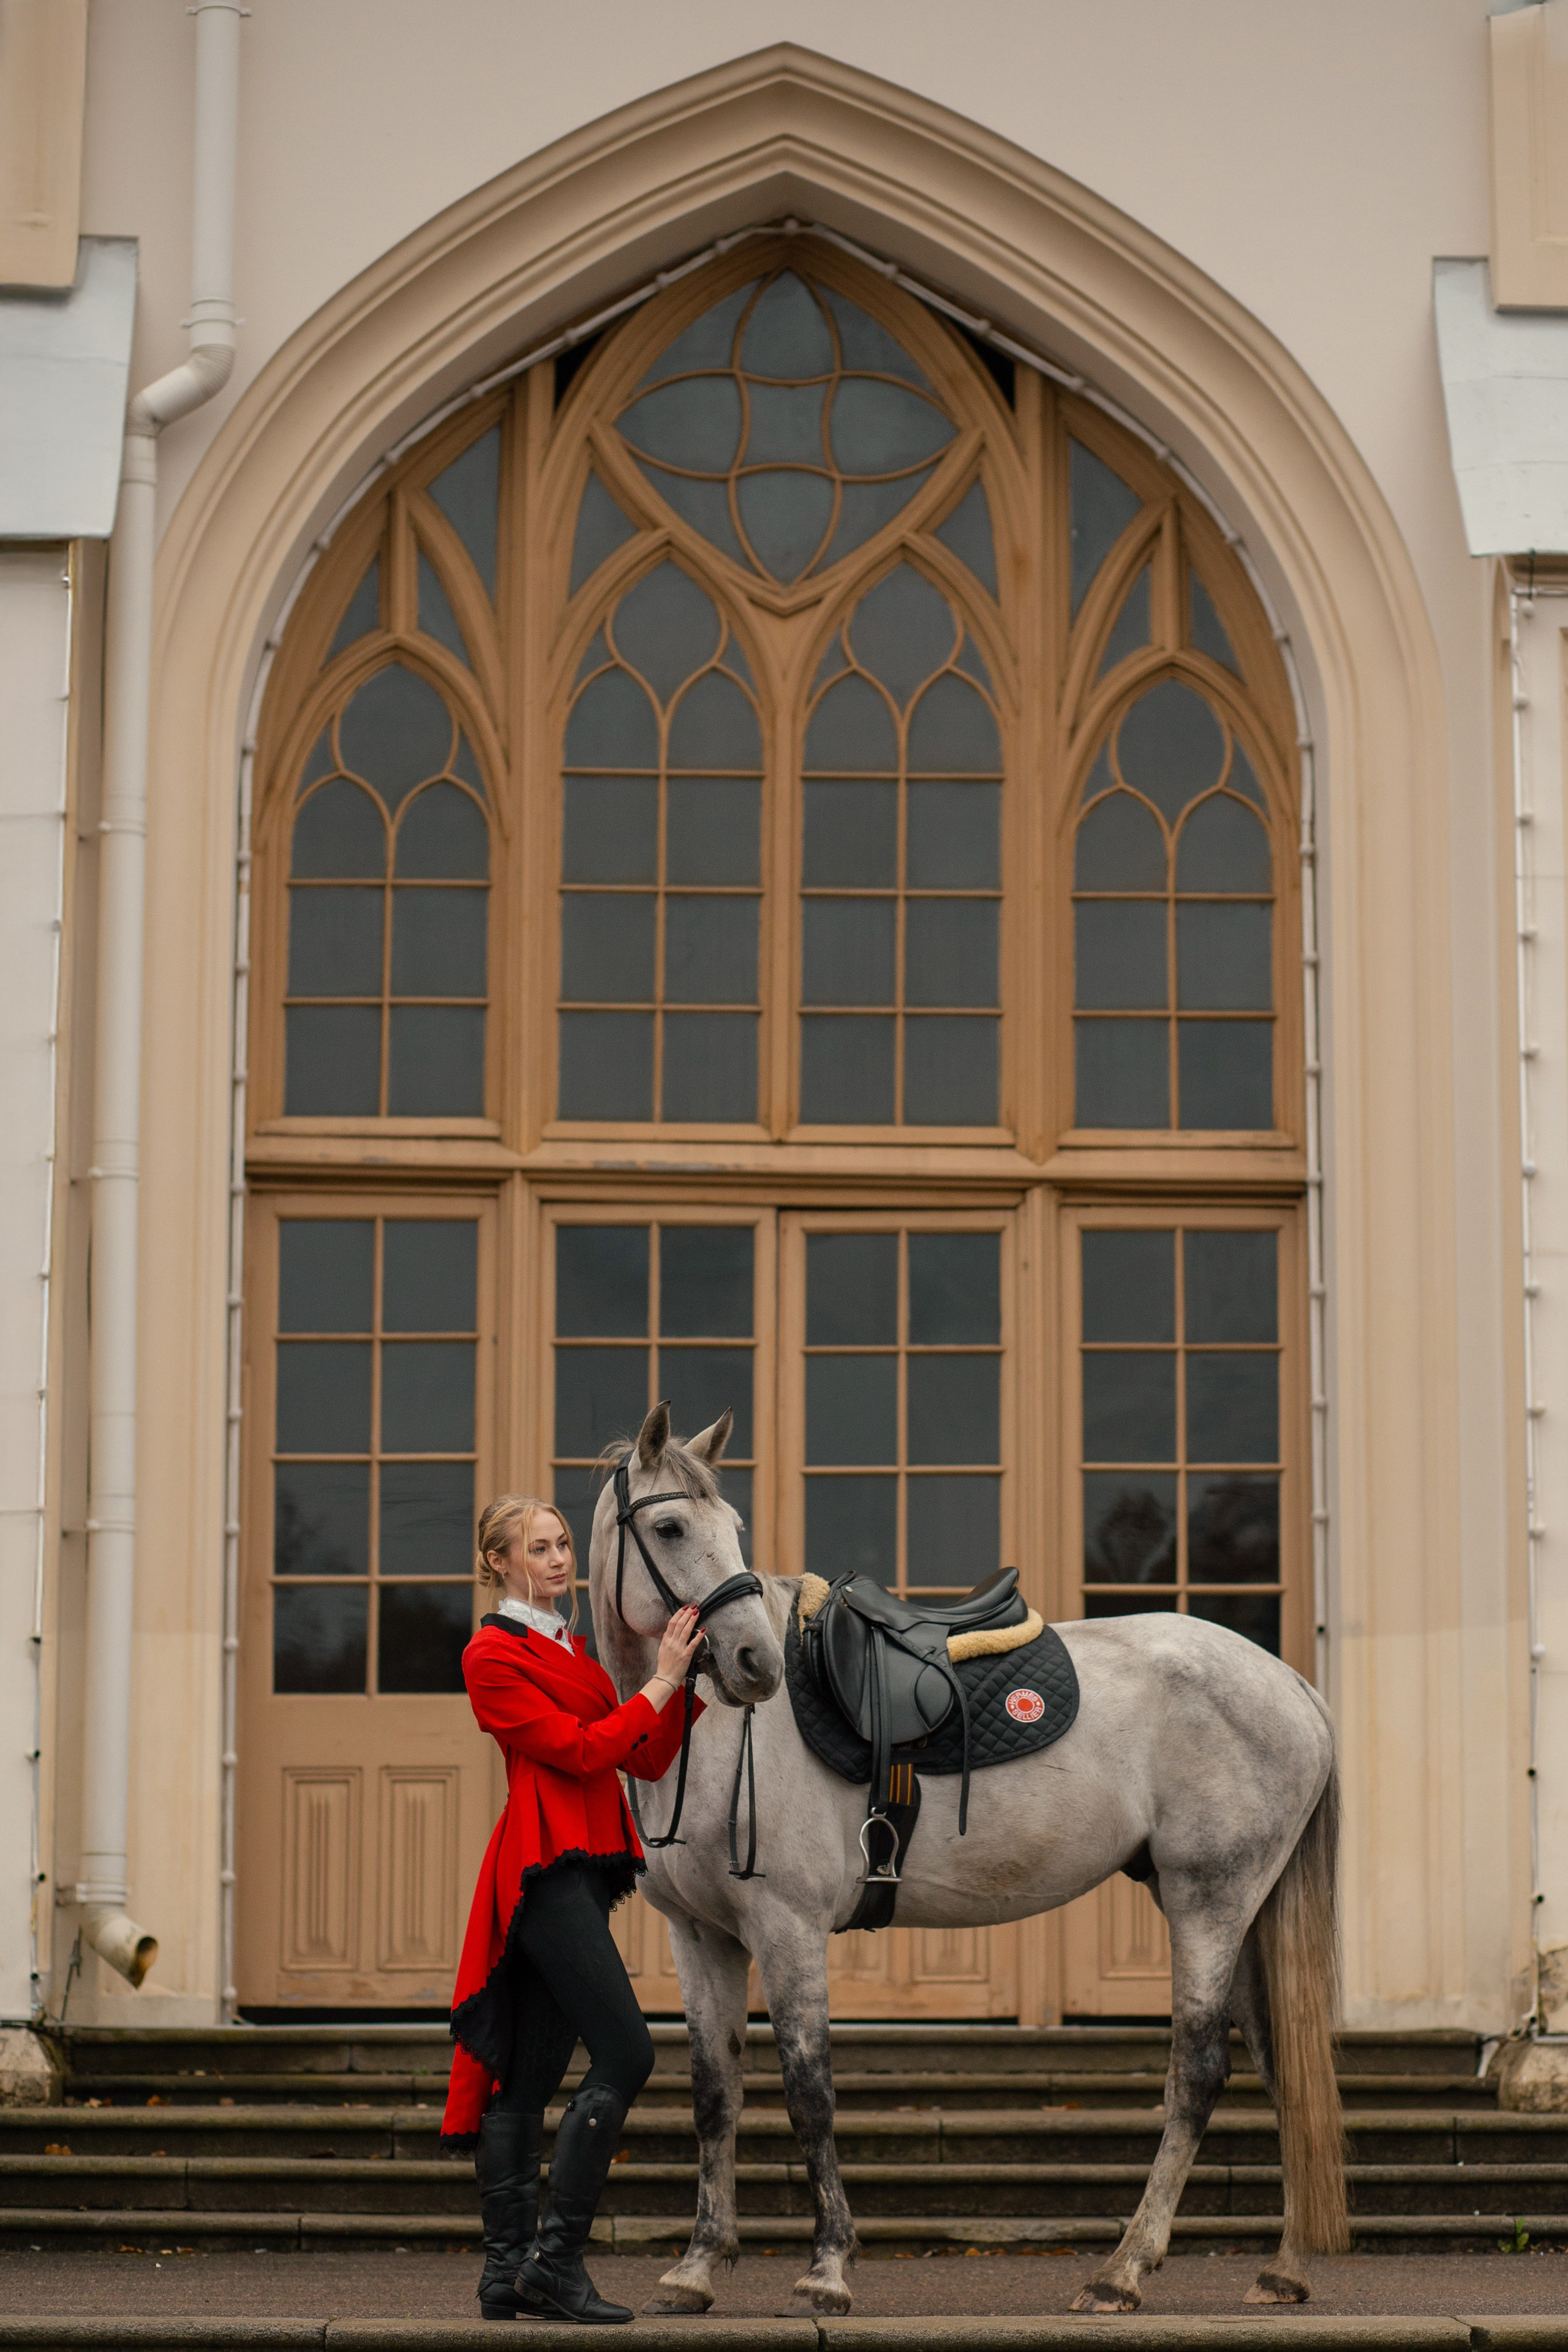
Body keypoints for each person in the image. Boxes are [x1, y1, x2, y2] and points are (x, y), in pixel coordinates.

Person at [440, 1493, 704, 2324]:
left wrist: (690, 1678)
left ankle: (504, 2274)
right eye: (540, 1547)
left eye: (562, 1545)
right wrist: (657, 1682)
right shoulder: (491, 1654)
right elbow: (581, 1750)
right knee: (627, 2055)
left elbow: (645, 1756)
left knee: (531, 2080)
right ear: (499, 1562)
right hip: (542, 1872)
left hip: (580, 1872)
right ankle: (554, 2262)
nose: (558, 1559)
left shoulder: (576, 1653)